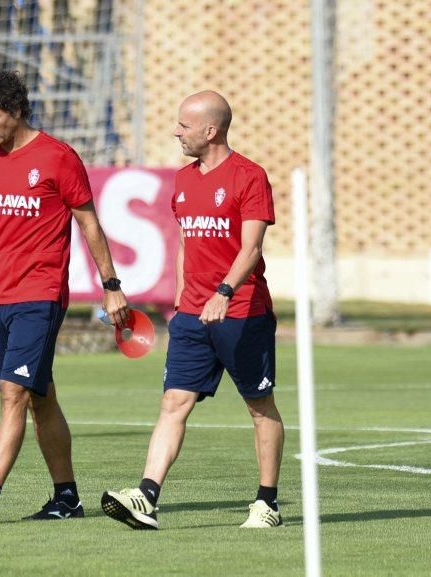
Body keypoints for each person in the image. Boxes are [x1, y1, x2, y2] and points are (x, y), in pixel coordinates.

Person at [0, 69, 129, 523]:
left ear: (17, 110)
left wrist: (111, 286)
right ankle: (67, 497)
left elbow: (89, 224)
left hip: (41, 295)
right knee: (41, 397)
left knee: (12, 392)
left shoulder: (58, 158)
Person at [101, 90, 284, 530]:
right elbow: (187, 244)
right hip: (192, 317)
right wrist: (183, 302)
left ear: (210, 130)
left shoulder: (250, 177)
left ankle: (267, 504)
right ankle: (147, 496)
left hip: (242, 313)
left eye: (184, 125)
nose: (176, 132)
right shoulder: (183, 181)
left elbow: (252, 247)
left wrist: (223, 292)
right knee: (173, 402)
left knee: (260, 407)